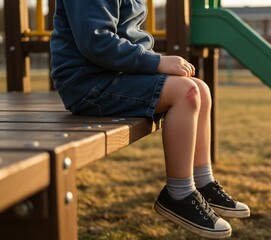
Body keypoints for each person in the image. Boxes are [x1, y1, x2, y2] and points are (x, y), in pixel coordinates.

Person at [50, 0, 250, 238]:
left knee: (200, 90)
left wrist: (153, 62)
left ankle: (202, 180)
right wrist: (155, 62)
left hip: (113, 76)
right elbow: (96, 41)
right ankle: (179, 194)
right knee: (186, 94)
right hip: (87, 83)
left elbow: (128, 37)